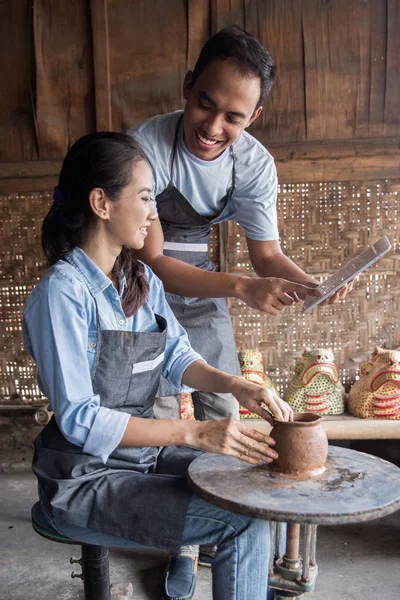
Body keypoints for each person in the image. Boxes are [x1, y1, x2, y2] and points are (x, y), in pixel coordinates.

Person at [23, 132, 294, 600]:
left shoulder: (140, 275)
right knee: (239, 522)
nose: (154, 212)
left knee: (252, 488)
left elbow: (175, 354)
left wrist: (236, 384)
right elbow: (80, 418)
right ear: (100, 203)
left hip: (141, 462)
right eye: (146, 197)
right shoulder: (62, 293)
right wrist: (195, 433)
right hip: (85, 480)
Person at [128, 25, 351, 587]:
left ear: (253, 117)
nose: (213, 125)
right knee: (157, 411)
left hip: (204, 286)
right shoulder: (144, 148)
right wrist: (241, 287)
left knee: (222, 407)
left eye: (234, 116)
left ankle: (212, 532)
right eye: (206, 103)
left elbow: (267, 253)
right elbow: (153, 261)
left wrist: (308, 282)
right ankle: (174, 542)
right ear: (187, 87)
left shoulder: (251, 164)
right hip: (135, 289)